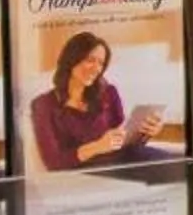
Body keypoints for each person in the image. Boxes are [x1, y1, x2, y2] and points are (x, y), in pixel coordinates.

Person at [28, 33, 164, 172]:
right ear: (72, 59)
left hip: (124, 160)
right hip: (89, 172)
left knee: (171, 162)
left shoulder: (109, 92)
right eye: (90, 60)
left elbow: (124, 142)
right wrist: (97, 147)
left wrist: (146, 133)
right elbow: (54, 163)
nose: (97, 68)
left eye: (101, 63)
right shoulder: (43, 105)